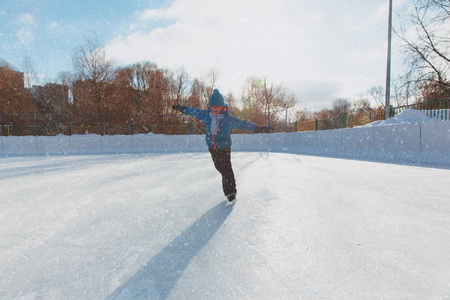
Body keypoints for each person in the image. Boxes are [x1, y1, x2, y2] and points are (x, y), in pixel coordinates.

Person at [172, 88, 273, 205]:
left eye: (217, 106)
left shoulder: (227, 119)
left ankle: (231, 193)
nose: (215, 108)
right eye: (213, 106)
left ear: (222, 107)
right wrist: (183, 109)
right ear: (210, 106)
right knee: (220, 168)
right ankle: (229, 188)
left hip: (224, 147)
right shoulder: (206, 115)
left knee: (226, 170)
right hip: (212, 148)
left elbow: (243, 124)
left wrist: (259, 128)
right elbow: (194, 111)